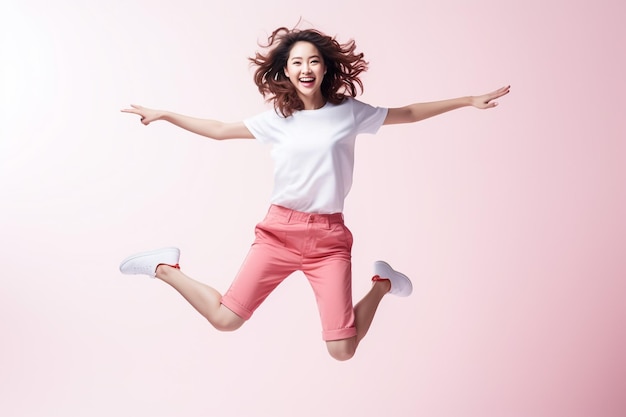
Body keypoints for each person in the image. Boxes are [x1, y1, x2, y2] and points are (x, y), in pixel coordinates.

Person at [119, 26, 510, 361]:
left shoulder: (350, 112)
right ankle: (163, 268)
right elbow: (220, 129)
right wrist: (167, 114)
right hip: (278, 233)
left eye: (313, 61)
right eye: (297, 63)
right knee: (226, 320)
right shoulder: (278, 119)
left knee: (342, 350)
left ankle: (383, 284)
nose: (306, 68)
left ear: (325, 67)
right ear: (286, 72)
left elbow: (406, 113)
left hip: (329, 239)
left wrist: (467, 101)